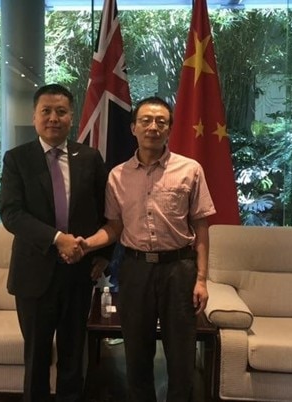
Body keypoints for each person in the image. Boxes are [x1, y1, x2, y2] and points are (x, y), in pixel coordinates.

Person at [80, 96, 216, 402]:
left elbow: (202, 226)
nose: (153, 127)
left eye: (161, 122)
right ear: (133, 128)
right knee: (137, 354)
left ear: (169, 129)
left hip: (179, 269)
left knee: (181, 355)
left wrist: (202, 279)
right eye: (146, 121)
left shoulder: (190, 169)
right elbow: (114, 227)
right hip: (134, 269)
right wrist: (88, 244)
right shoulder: (117, 176)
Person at [0, 83, 109, 402]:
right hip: (34, 275)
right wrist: (57, 239)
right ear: (34, 117)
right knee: (37, 359)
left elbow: (108, 211)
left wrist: (104, 255)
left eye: (61, 111)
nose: (53, 118)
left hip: (79, 275)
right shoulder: (17, 160)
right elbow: (11, 213)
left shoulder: (89, 158)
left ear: (71, 117)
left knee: (74, 357)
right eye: (45, 111)